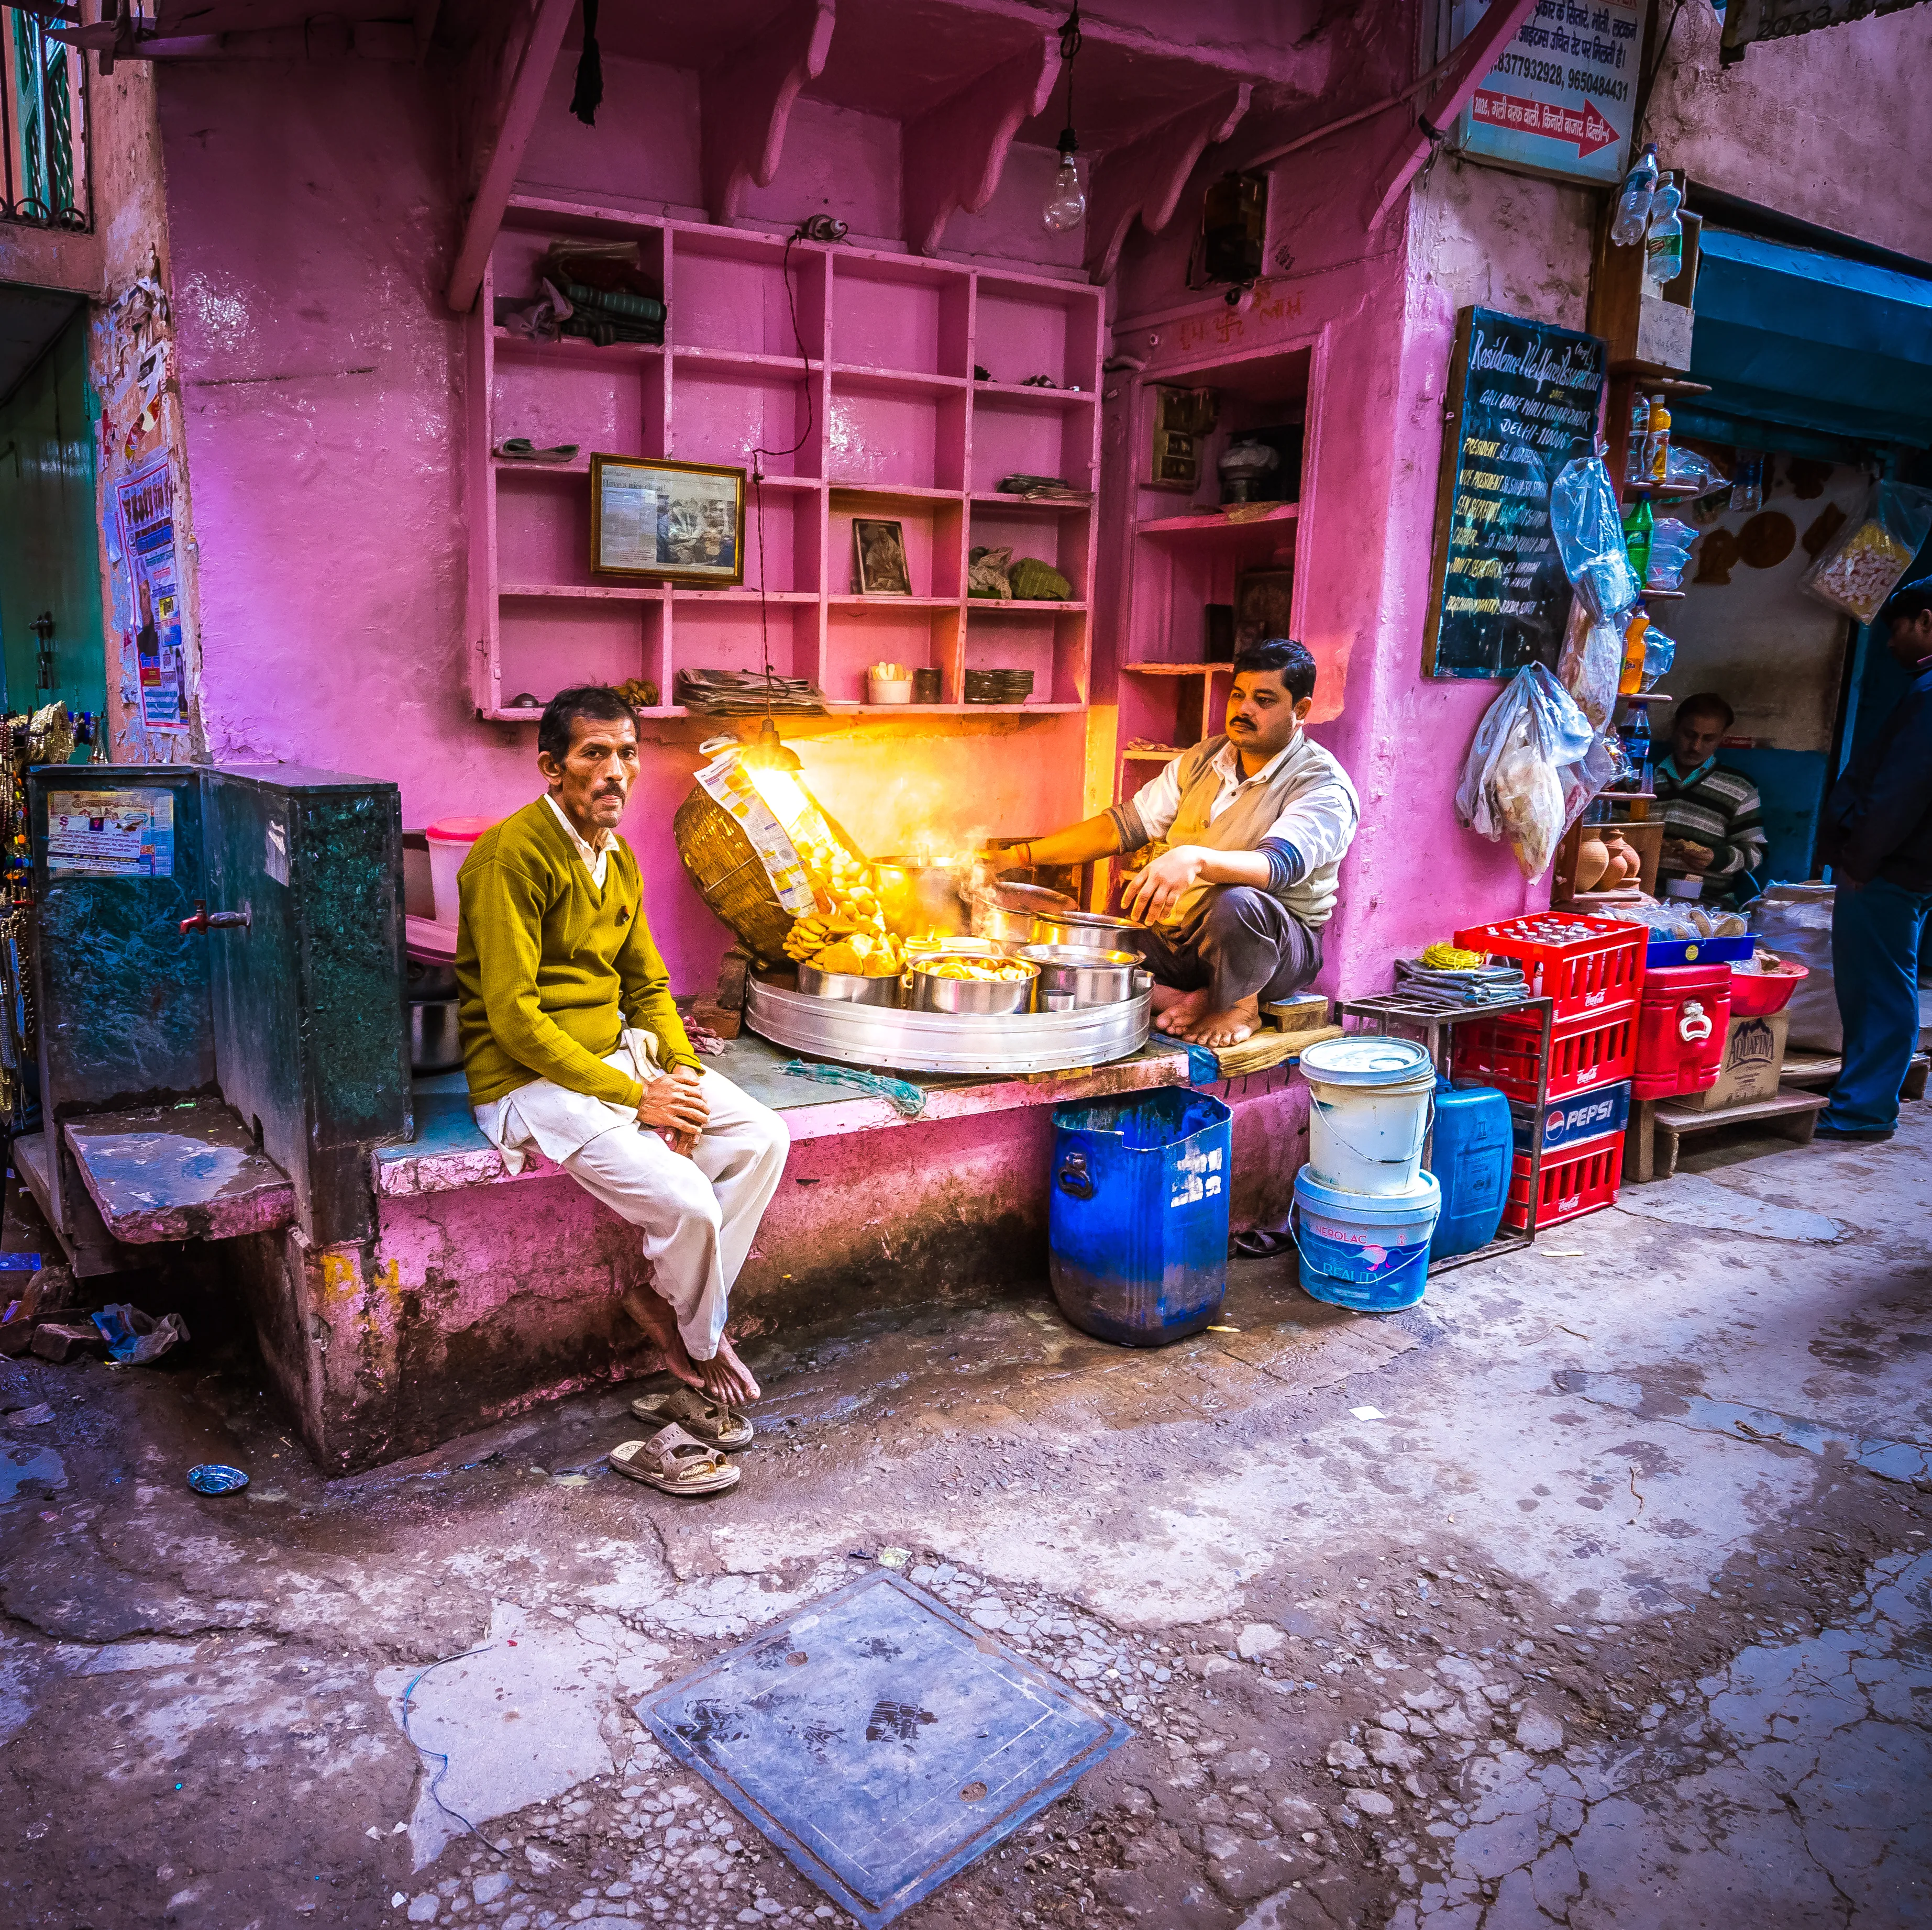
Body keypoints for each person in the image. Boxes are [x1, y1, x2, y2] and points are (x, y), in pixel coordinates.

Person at [455, 686, 789, 1490]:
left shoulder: (618, 854)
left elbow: (647, 985)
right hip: (529, 1078)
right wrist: (638, 1098)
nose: (615, 771)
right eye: (593, 754)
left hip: (615, 1058)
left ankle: (662, 1300)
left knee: (759, 1139)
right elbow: (514, 1018)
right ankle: (698, 1347)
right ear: (552, 767)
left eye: (628, 752)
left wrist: (675, 1072)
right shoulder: (510, 857)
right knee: (687, 1201)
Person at [991, 637, 1358, 1048]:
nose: (1243, 709)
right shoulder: (1203, 759)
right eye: (1237, 695)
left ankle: (1238, 1005)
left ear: (1300, 711)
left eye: (1264, 700)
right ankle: (1191, 999)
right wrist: (1015, 857)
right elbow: (1122, 828)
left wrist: (1194, 859)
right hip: (1181, 941)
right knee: (1073, 941)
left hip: (1271, 952)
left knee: (1236, 903)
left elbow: (1276, 868)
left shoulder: (1321, 785)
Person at [1815, 576, 1932, 1143]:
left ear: (1926, 622)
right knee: (1886, 981)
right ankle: (1863, 1101)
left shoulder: (1929, 693)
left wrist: (1859, 858)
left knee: (1879, 986)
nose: (1889, 643)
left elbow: (1900, 791)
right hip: (1905, 864)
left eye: (1897, 628)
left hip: (1888, 867)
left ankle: (1861, 1109)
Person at [1652, 693, 1765, 905]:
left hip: (1710, 904)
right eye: (1689, 735)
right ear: (1675, 727)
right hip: (1644, 900)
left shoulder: (1740, 788)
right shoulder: (1643, 779)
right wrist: (1647, 847)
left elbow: (1754, 854)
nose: (1695, 746)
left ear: (1722, 737)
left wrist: (1715, 858)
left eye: (1708, 739)